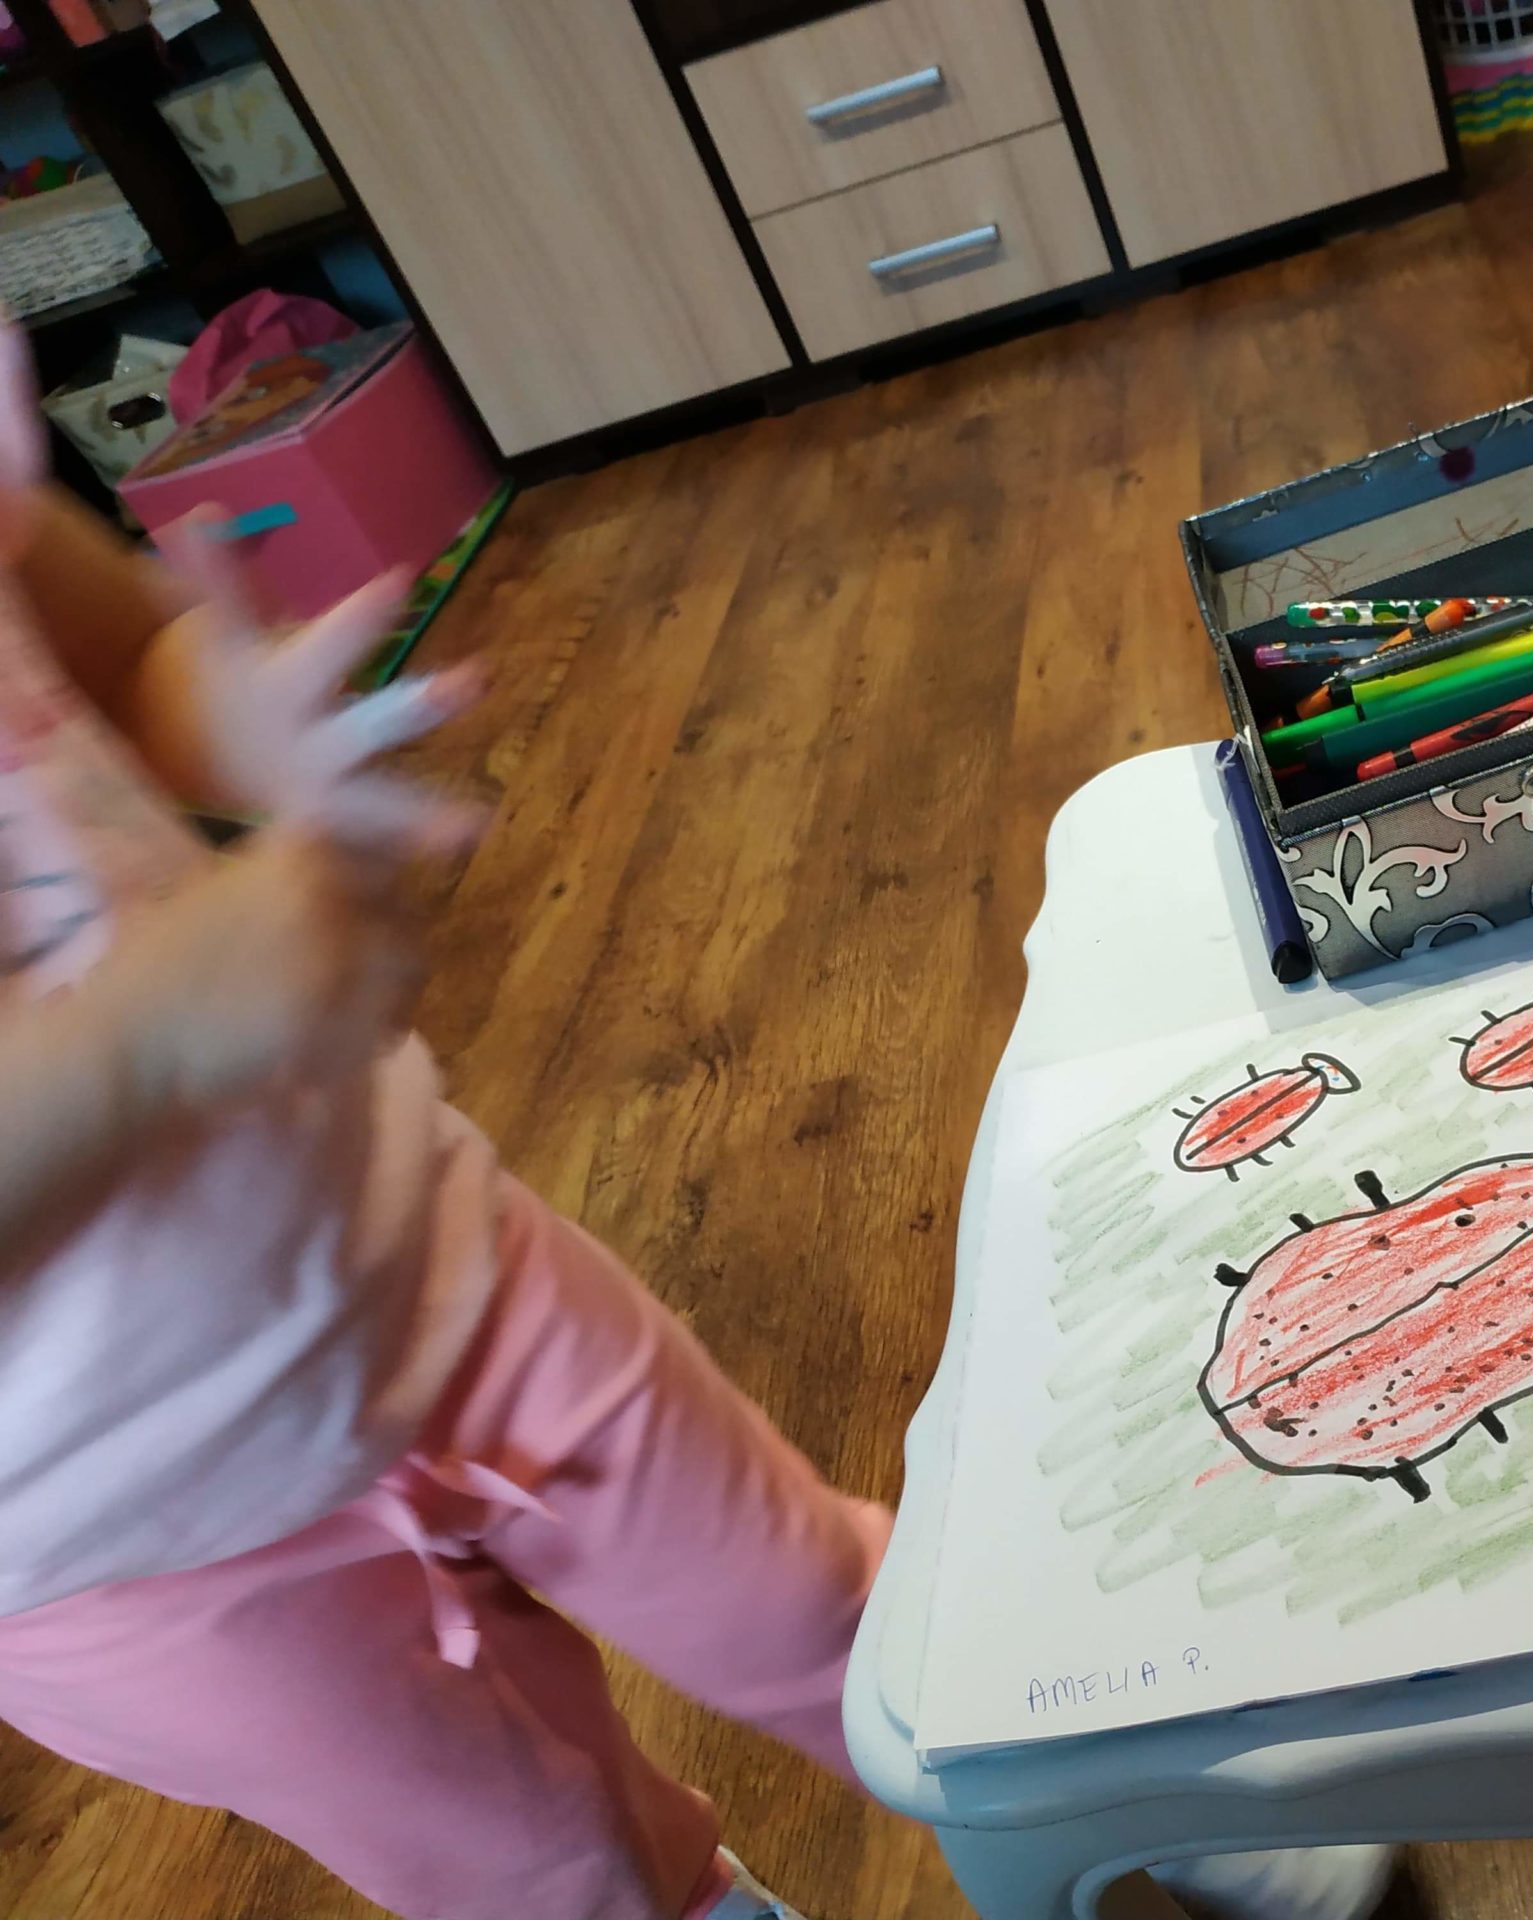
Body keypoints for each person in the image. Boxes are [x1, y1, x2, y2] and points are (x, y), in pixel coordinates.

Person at [0, 325, 1396, 1920]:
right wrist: (143, 1039)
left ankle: (1119, 1782)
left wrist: (222, 711)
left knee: (819, 1607)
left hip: (415, 1251)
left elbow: (113, 654)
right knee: (535, 1871)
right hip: (114, 1553)